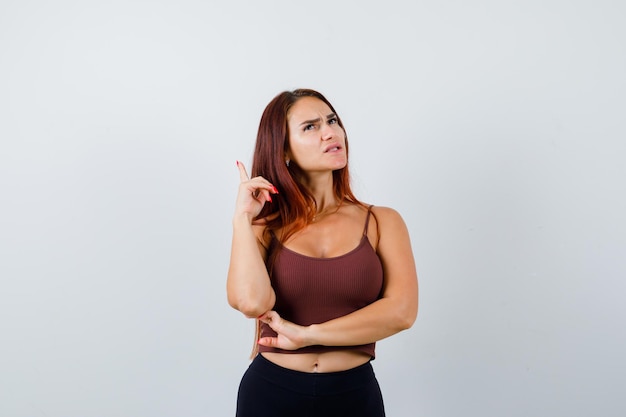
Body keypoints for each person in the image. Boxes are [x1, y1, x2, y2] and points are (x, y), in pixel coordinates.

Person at [227, 88, 418, 417]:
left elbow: (401, 313)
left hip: (353, 395)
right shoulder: (264, 226)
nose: (330, 132)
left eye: (332, 121)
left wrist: (309, 335)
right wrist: (243, 218)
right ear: (284, 148)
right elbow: (251, 303)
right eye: (310, 127)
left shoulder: (382, 221)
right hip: (271, 393)